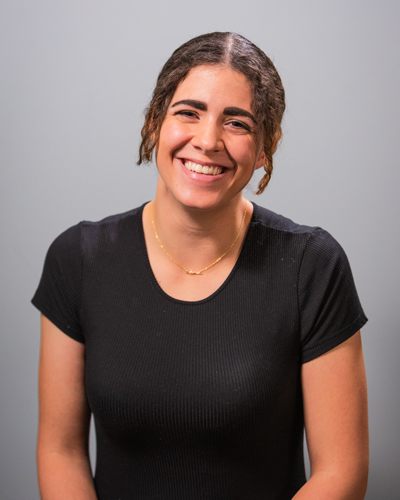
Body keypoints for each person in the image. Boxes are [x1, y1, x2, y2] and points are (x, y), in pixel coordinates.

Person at [32, 32, 369, 499]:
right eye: (188, 112)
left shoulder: (312, 267)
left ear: (266, 147)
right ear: (154, 123)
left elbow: (341, 473)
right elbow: (60, 451)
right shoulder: (79, 258)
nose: (207, 141)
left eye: (237, 123)